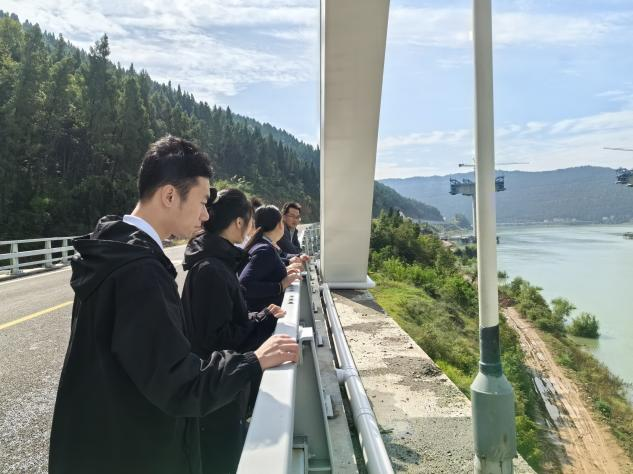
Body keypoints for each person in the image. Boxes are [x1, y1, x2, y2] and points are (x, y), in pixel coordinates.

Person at [48, 136, 299, 474]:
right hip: (134, 453)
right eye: (201, 202)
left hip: (98, 443)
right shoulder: (139, 270)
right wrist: (252, 361)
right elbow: (178, 383)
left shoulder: (111, 249)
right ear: (169, 195)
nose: (206, 215)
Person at [181, 188, 284, 473]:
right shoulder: (212, 269)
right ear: (239, 222)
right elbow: (217, 338)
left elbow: (224, 319)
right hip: (218, 390)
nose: (251, 228)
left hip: (221, 382)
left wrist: (259, 316)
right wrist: (261, 322)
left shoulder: (216, 262)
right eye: (249, 220)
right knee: (222, 457)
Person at [239, 205, 301, 312]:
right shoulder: (265, 250)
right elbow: (245, 285)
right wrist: (280, 286)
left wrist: (283, 273)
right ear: (279, 225)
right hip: (264, 315)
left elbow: (262, 275)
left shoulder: (261, 245)